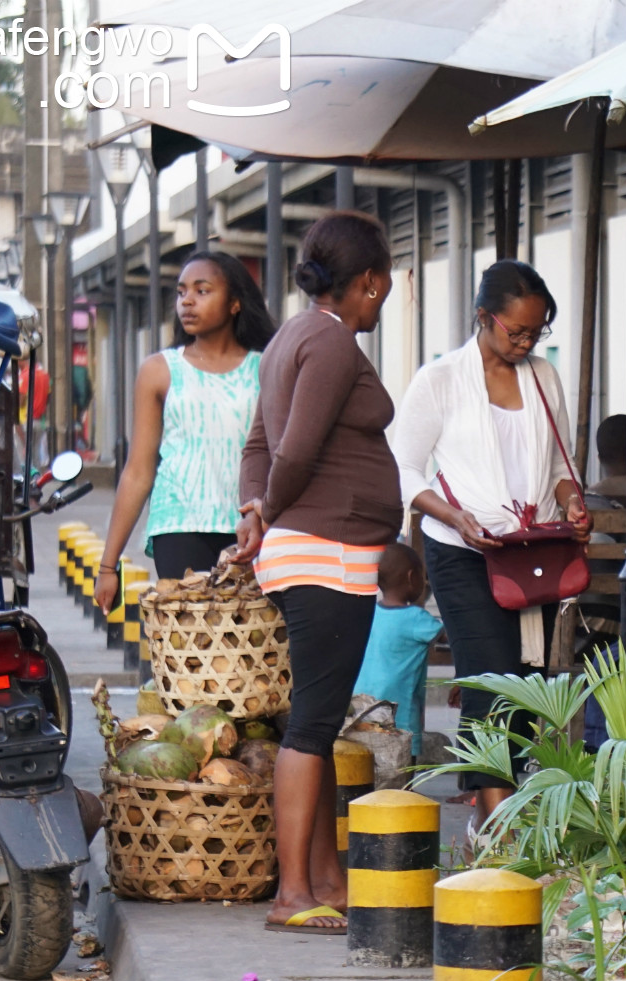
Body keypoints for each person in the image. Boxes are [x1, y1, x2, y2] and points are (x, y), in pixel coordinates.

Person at [234, 210, 399, 935]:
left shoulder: (286, 340)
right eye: (382, 284)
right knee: (310, 724)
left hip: (311, 546)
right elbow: (292, 451)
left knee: (320, 718)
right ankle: (292, 891)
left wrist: (254, 509)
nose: (385, 296)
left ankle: (326, 877)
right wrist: (268, 508)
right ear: (367, 280)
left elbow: (259, 441)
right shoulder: (330, 343)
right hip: (328, 552)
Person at [391, 260, 587, 827]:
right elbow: (403, 470)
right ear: (484, 317)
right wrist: (454, 515)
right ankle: (496, 830)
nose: (526, 343)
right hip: (461, 551)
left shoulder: (543, 377)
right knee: (489, 682)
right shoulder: (441, 379)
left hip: (535, 554)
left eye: (537, 332)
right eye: (517, 331)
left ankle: (496, 810)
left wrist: (572, 503)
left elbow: (557, 465)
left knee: (529, 686)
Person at [94, 251, 275, 610]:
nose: (187, 301)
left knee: (250, 649)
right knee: (190, 649)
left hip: (250, 528)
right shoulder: (160, 370)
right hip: (178, 526)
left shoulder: (266, 366)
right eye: (181, 293)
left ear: (235, 303)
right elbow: (138, 471)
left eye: (202, 291)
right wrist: (107, 564)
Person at [353, 542, 444, 757]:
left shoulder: (369, 614)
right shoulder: (416, 618)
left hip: (362, 707)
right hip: (399, 714)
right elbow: (451, 637)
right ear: (412, 577)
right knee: (402, 773)